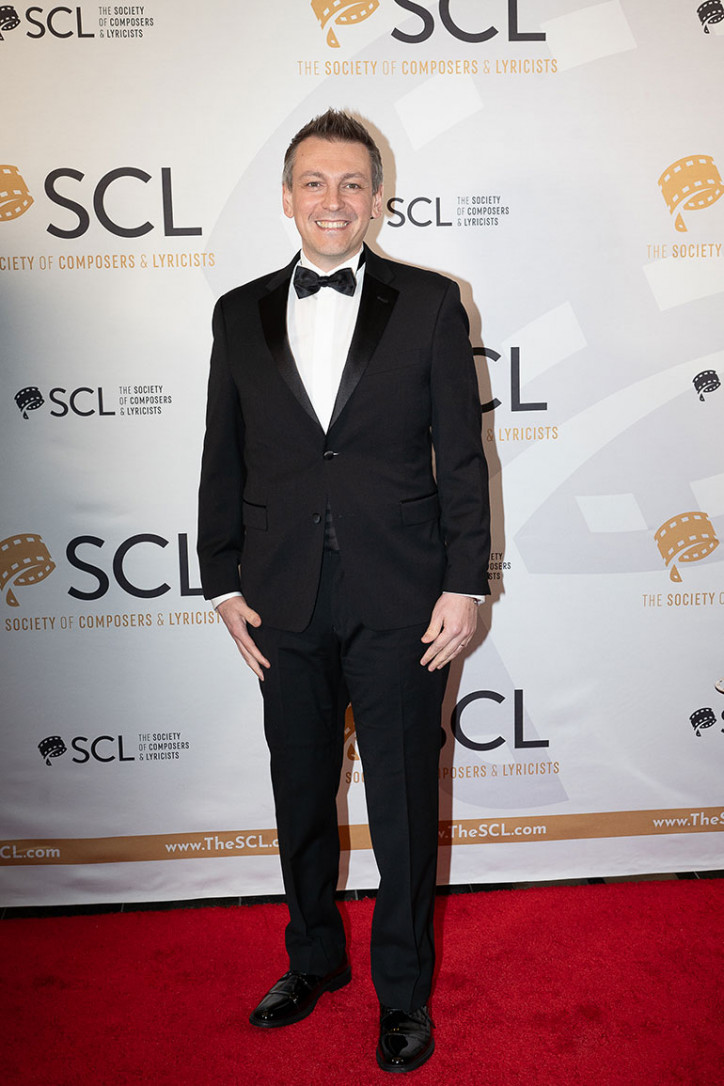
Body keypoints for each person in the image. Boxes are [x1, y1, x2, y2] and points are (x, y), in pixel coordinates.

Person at [197, 109, 490, 1073]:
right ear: (288, 198)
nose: (334, 200)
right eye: (315, 183)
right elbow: (222, 452)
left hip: (403, 595)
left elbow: (463, 458)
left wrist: (465, 582)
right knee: (300, 793)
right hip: (280, 595)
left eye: (352, 183)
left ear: (378, 197)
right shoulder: (237, 312)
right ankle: (314, 959)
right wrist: (220, 581)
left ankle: (403, 995)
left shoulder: (433, 303)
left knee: (402, 804)